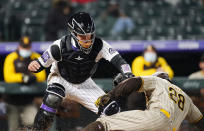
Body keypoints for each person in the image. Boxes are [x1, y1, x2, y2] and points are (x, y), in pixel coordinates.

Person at [28, 12, 133, 130]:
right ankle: (37, 129)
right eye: (83, 37)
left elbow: (120, 61)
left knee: (112, 110)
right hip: (60, 79)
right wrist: (35, 64)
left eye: (90, 36)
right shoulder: (59, 46)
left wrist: (128, 74)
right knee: (53, 98)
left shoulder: (100, 45)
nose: (87, 40)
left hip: (84, 83)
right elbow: (41, 63)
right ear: (73, 34)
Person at [82, 72, 204, 131]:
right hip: (171, 129)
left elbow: (134, 82)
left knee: (105, 123)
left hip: (159, 116)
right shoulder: (186, 99)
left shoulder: (158, 81)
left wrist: (111, 94)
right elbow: (200, 121)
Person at [3, 36, 46, 131]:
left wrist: (33, 77)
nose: (25, 49)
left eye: (27, 47)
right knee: (13, 127)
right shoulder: (12, 57)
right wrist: (23, 78)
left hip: (28, 100)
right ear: (19, 46)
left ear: (30, 47)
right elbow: (8, 77)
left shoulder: (35, 57)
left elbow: (42, 76)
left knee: (32, 122)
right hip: (12, 101)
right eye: (23, 47)